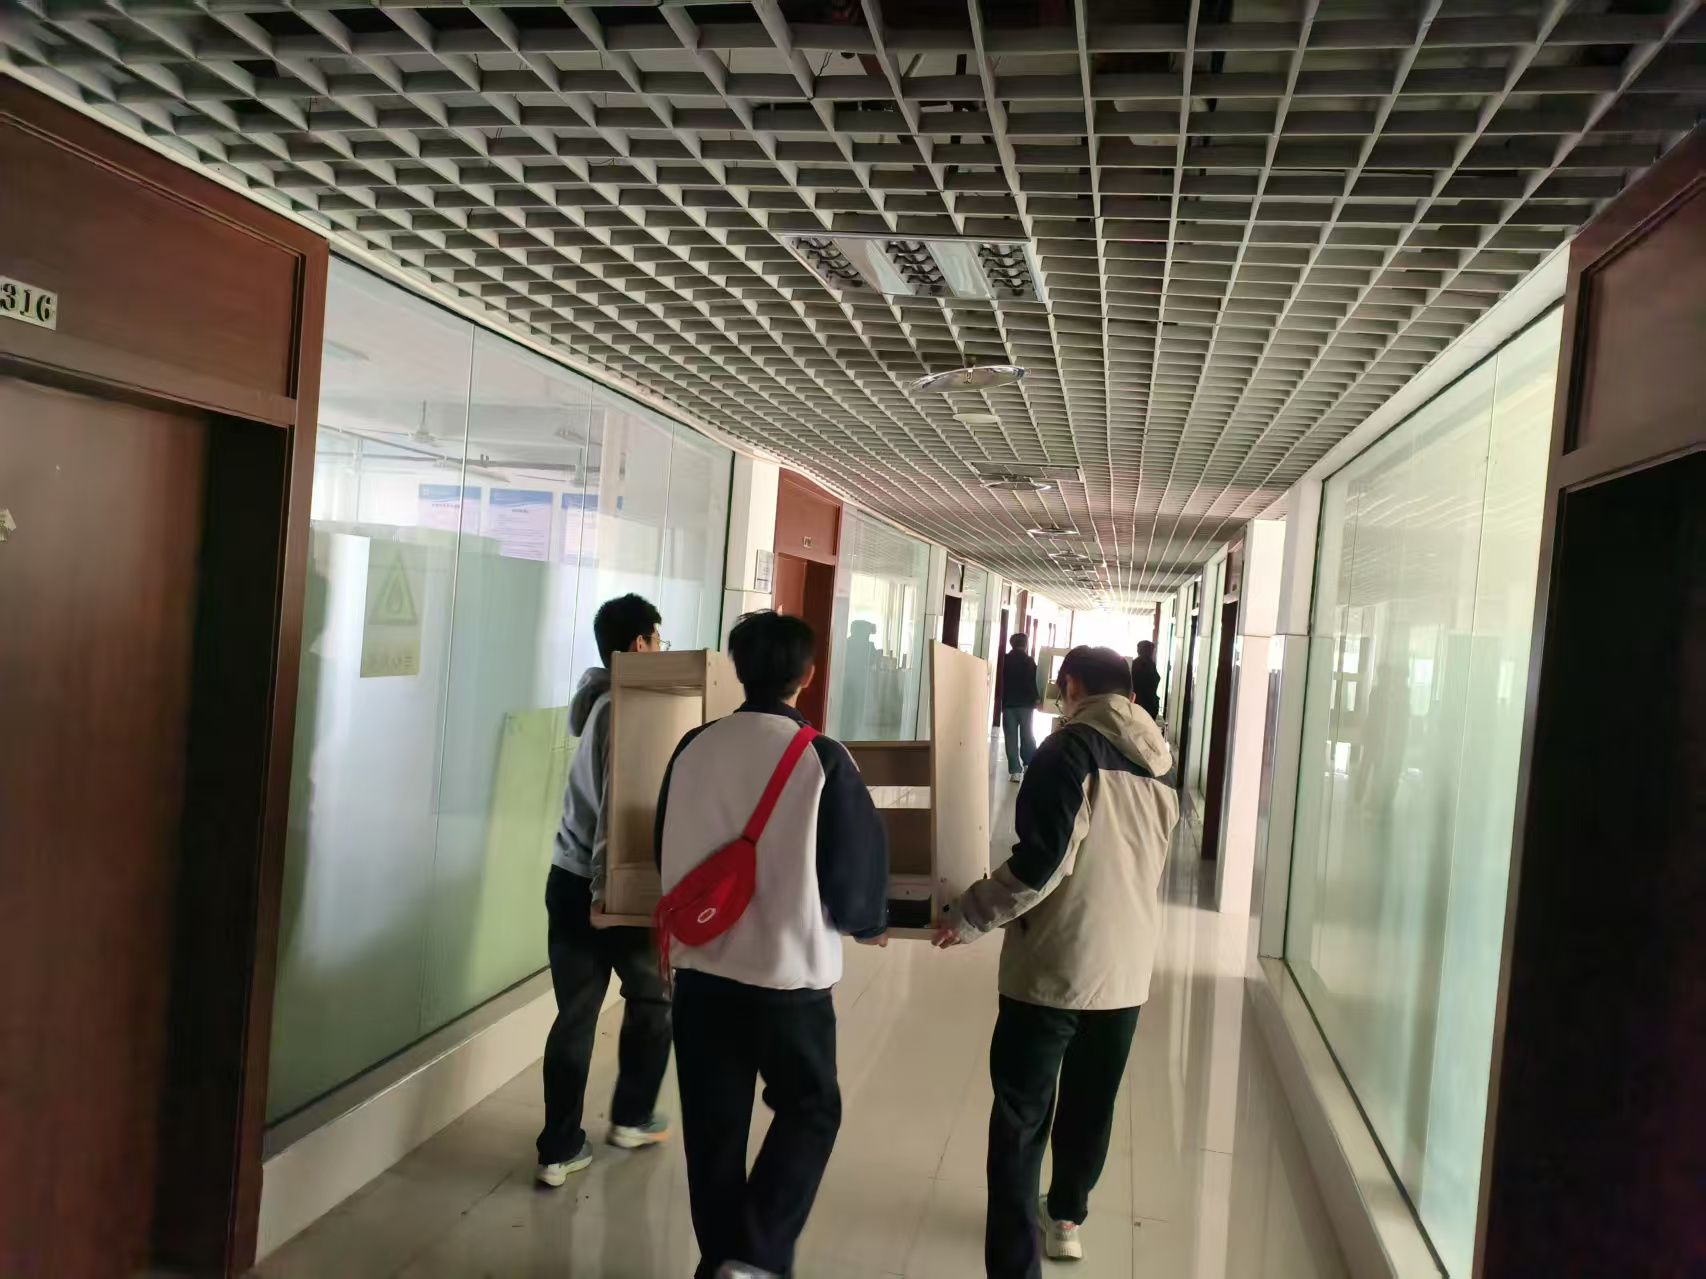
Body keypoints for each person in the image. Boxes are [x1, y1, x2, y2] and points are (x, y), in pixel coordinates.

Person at [656, 611, 890, 1279]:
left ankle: (722, 1261)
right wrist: (869, 923)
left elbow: (662, 845)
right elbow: (853, 875)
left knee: (713, 1129)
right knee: (811, 1108)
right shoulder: (822, 756)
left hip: (701, 976)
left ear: (738, 669)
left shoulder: (692, 746)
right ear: (808, 675)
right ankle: (754, 1255)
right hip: (789, 980)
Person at [936, 645, 1178, 1279]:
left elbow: (1042, 864)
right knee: (1091, 1107)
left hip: (1054, 967)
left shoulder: (1067, 751)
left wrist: (969, 914)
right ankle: (1066, 1217)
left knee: (1022, 1118)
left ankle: (1015, 1263)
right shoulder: (1160, 765)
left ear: (1069, 687)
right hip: (1126, 969)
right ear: (1130, 694)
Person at [535, 594, 673, 1187]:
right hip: (605, 887)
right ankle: (632, 1117)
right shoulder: (627, 709)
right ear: (640, 644)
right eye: (659, 640)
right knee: (655, 1000)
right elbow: (616, 812)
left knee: (575, 1015)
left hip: (568, 878)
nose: (662, 650)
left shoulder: (597, 701)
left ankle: (559, 1148)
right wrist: (606, 894)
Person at [1000, 633, 1041, 782]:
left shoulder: (1004, 660)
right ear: (1025, 644)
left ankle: (1015, 772)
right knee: (1027, 735)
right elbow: (1034, 682)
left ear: (1012, 644)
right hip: (1026, 705)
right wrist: (1037, 698)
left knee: (1010, 738)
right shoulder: (1029, 661)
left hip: (1008, 704)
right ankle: (1028, 764)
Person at [1131, 639, 1162, 721]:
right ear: (1149, 651)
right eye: (1153, 652)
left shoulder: (1135, 664)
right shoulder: (1148, 665)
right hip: (1147, 705)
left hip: (1138, 704)